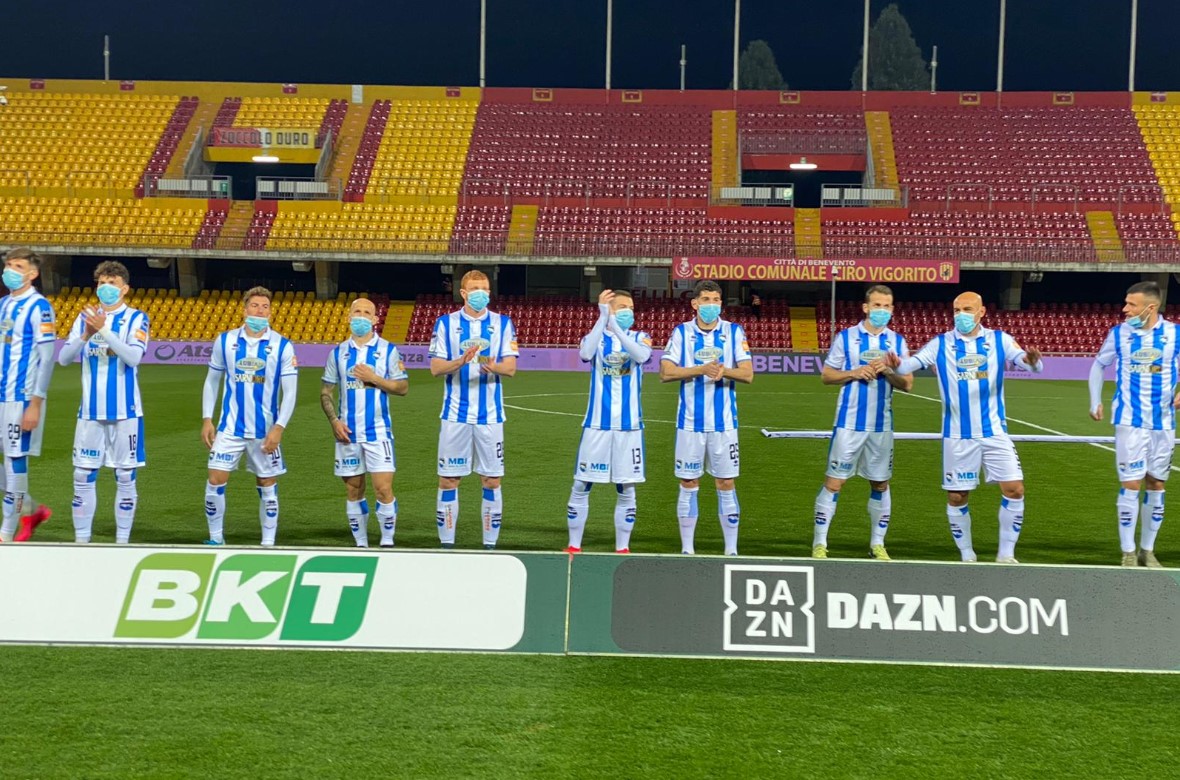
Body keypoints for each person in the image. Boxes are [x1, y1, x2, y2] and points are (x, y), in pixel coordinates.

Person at [884, 292, 1042, 563]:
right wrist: (898, 365)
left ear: (981, 312)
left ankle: (1006, 554)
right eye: (957, 310)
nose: (961, 315)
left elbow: (1030, 366)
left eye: (967, 309)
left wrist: (1032, 360)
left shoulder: (999, 340)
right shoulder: (941, 343)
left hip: (994, 431)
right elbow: (910, 365)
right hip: (958, 435)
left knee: (1015, 489)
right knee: (957, 496)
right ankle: (967, 555)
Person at [813, 284, 912, 561]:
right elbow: (827, 376)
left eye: (887, 306)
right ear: (866, 308)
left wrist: (890, 371)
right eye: (877, 305)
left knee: (880, 484)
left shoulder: (897, 342)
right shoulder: (846, 338)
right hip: (848, 424)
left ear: (892, 310)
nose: (882, 311)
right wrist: (854, 372)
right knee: (834, 483)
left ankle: (877, 544)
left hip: (881, 427)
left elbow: (908, 384)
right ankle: (820, 544)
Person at [1088, 281, 1180, 568]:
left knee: (1156, 483)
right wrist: (1095, 400)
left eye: (1131, 304)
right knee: (1131, 483)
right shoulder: (1119, 334)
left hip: (1163, 421)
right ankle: (1128, 552)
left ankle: (1147, 551)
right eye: (1126, 303)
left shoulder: (1174, 334)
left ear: (1150, 307)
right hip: (1129, 420)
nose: (1125, 309)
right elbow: (1098, 365)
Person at [57, 261, 149, 543]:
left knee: (124, 475)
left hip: (126, 411)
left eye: (112, 284)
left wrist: (104, 331)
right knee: (83, 475)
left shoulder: (137, 318)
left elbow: (133, 357)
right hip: (90, 411)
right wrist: (86, 333)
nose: (106, 288)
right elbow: (63, 359)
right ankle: (82, 541)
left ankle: (122, 542)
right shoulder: (84, 317)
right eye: (101, 284)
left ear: (125, 289)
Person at [660, 280, 753, 555]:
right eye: (706, 300)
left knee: (726, 482)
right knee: (689, 483)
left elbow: (747, 374)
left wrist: (724, 371)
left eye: (716, 300)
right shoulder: (681, 333)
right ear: (695, 304)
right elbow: (666, 372)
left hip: (724, 424)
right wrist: (701, 369)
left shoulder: (734, 332)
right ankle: (688, 549)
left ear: (721, 304)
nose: (711, 305)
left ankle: (731, 550)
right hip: (689, 424)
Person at [200, 287, 297, 546]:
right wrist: (207, 418)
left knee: (267, 483)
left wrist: (279, 428)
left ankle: (267, 542)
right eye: (254, 305)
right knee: (214, 480)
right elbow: (212, 382)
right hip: (230, 428)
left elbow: (290, 393)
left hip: (264, 430)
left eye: (265, 306)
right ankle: (215, 538)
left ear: (270, 312)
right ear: (245, 310)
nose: (259, 310)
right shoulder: (225, 341)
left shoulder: (282, 346)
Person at [429, 270, 518, 549]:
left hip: (490, 416)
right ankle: (447, 545)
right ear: (464, 293)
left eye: (485, 288)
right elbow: (435, 368)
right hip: (455, 414)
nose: (481, 293)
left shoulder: (503, 324)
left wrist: (493, 365)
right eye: (475, 288)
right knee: (448, 479)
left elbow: (511, 368)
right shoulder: (445, 324)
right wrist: (460, 361)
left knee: (491, 480)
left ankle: (490, 545)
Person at [565, 289, 653, 553]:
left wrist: (614, 323)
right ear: (610, 309)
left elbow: (641, 356)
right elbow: (584, 353)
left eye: (631, 307)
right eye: (622, 307)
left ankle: (622, 548)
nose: (629, 311)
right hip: (597, 425)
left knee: (626, 487)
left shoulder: (641, 337)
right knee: (582, 483)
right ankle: (573, 545)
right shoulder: (596, 338)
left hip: (629, 427)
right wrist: (602, 319)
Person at [321, 298, 409, 548]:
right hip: (347, 434)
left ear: (374, 319)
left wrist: (375, 378)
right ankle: (361, 544)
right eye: (357, 312)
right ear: (349, 317)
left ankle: (387, 541)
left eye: (366, 312)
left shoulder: (388, 350)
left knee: (383, 489)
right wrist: (334, 421)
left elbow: (402, 387)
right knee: (353, 491)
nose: (361, 316)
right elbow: (326, 392)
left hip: (379, 433)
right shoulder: (337, 353)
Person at [0, 248, 55, 543]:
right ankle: (31, 510)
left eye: (17, 266)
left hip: (20, 397)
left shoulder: (40, 307)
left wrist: (35, 403)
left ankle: (6, 534)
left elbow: (47, 358)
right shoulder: (3, 305)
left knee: (14, 460)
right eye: (8, 264)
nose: (10, 269)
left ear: (32, 273)